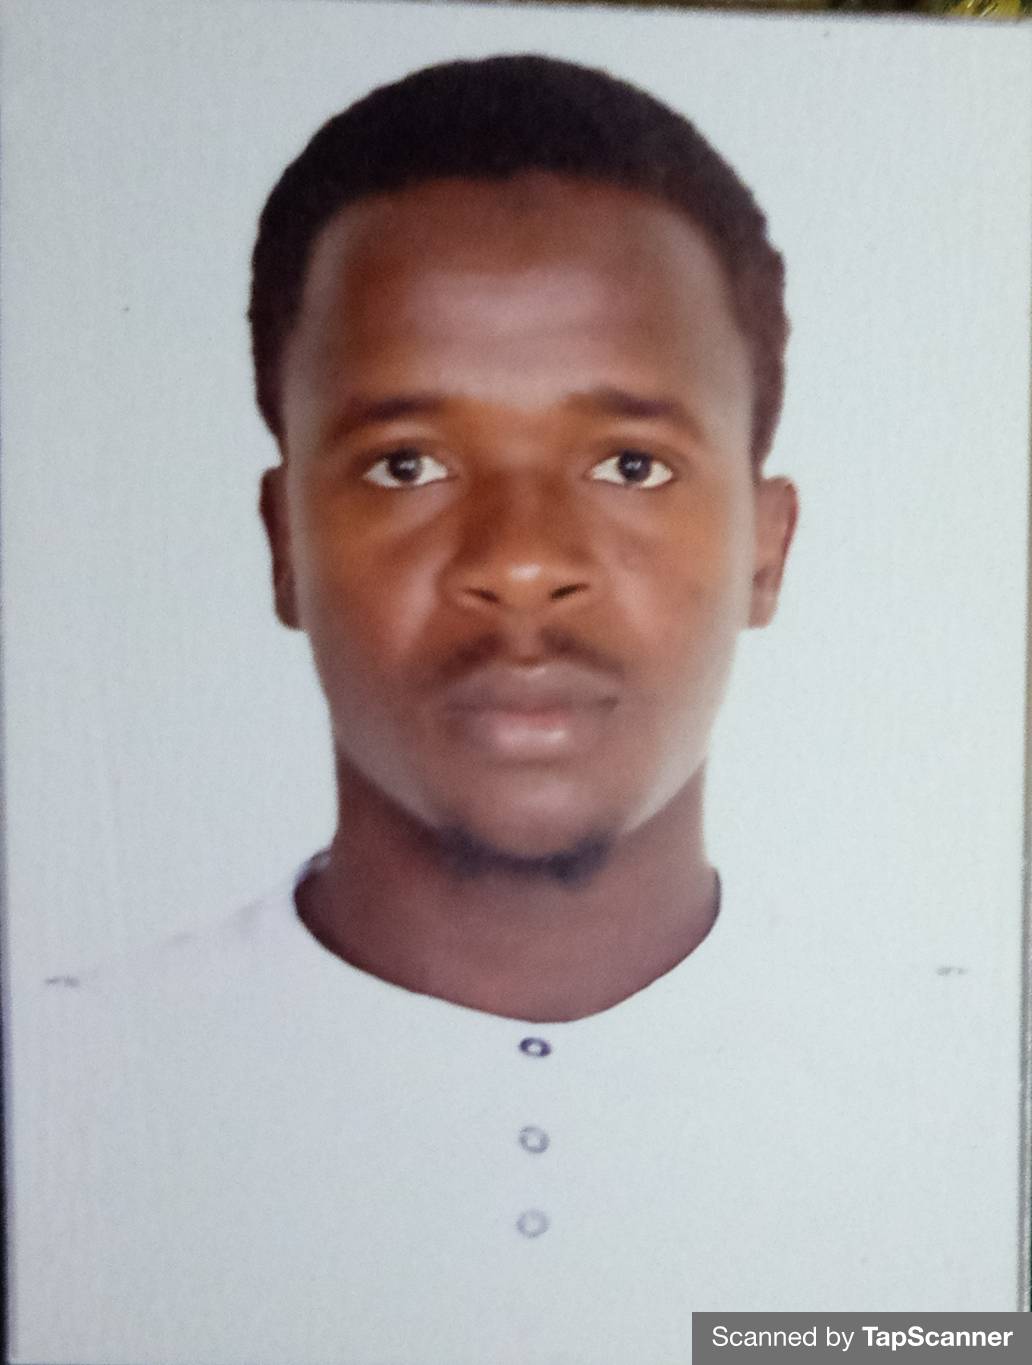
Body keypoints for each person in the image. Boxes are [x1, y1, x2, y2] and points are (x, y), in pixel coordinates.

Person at [19, 53, 997, 1365]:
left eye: (631, 462)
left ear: (768, 550)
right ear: (285, 543)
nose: (523, 559)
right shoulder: (59, 1084)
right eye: (406, 463)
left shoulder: (970, 1102)